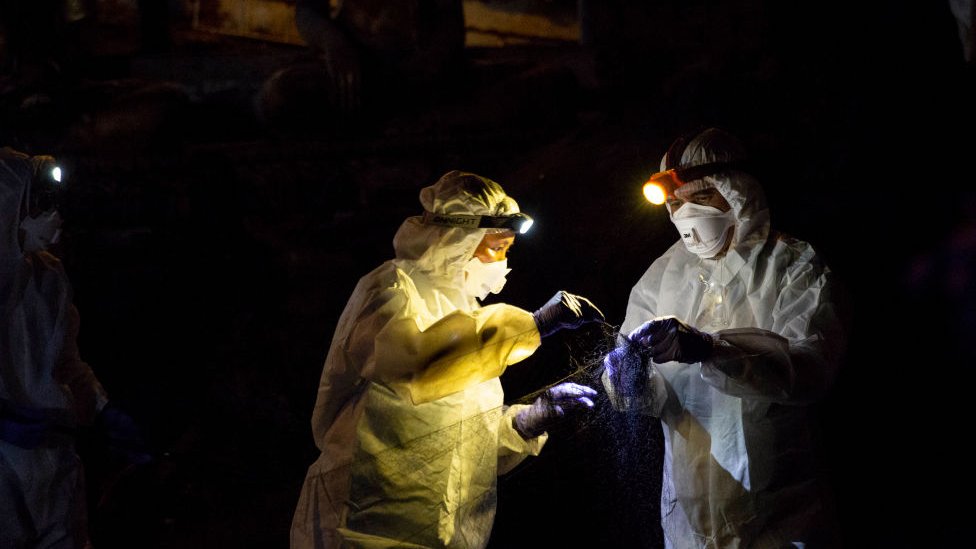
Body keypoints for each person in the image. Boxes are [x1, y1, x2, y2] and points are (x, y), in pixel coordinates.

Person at [291, 170, 604, 548]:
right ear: (456, 239)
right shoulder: (391, 288)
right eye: (497, 247)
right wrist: (532, 326)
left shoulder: (466, 317)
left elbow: (463, 440)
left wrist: (530, 419)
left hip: (443, 535)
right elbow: (415, 368)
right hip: (363, 527)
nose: (504, 261)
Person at [602, 127, 847, 548]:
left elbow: (811, 368)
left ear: (736, 193)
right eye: (675, 204)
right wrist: (625, 376)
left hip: (777, 517)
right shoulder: (662, 276)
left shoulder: (792, 267)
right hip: (688, 523)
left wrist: (711, 349)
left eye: (700, 199)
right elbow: (644, 394)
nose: (684, 215)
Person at [0, 147, 150, 548]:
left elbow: (66, 361)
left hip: (52, 453)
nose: (52, 217)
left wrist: (102, 408)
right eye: (38, 205)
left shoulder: (48, 277)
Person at [256, 0, 466, 133]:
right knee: (280, 95)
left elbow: (450, 29)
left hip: (405, 69)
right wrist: (333, 43)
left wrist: (421, 71)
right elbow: (307, 10)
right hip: (349, 63)